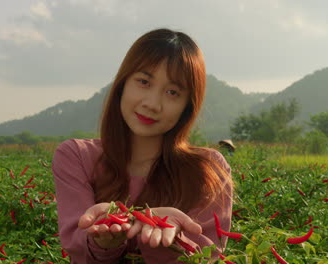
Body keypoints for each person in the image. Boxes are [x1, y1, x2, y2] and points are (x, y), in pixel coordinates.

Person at [52, 28, 234, 264]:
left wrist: (172, 241)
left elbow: (208, 257)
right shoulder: (76, 157)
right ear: (123, 84)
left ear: (187, 107)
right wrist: (102, 241)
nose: (152, 104)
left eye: (172, 92)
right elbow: (78, 251)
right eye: (144, 81)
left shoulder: (209, 169)